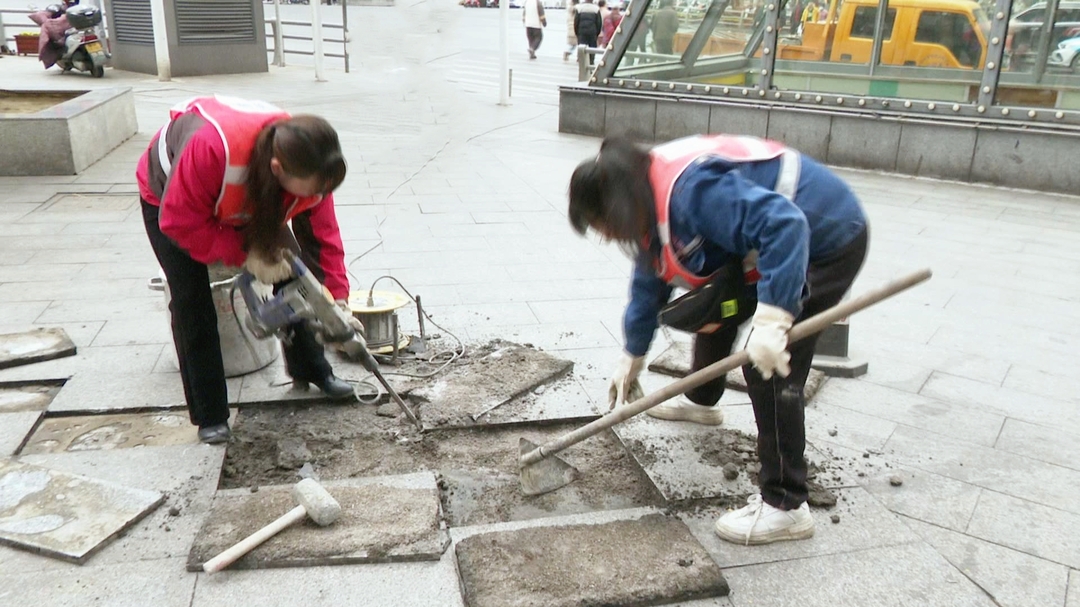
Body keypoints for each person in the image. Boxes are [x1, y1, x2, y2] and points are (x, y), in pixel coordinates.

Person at [567, 135, 868, 545]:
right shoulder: (642, 196)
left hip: (824, 238)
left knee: (768, 364)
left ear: (617, 206)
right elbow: (649, 276)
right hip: (766, 245)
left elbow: (785, 225)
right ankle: (702, 400)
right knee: (713, 307)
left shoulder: (693, 192)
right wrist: (633, 352)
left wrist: (775, 320)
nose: (607, 237)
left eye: (605, 227)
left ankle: (786, 504)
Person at [137, 96, 360, 445]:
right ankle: (210, 414)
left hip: (251, 190)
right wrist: (245, 255)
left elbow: (321, 234)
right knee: (191, 300)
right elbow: (179, 222)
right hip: (172, 195)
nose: (319, 195)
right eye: (314, 189)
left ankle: (312, 369)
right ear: (278, 169)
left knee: (292, 271)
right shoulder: (211, 151)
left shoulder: (311, 163)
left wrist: (336, 298)